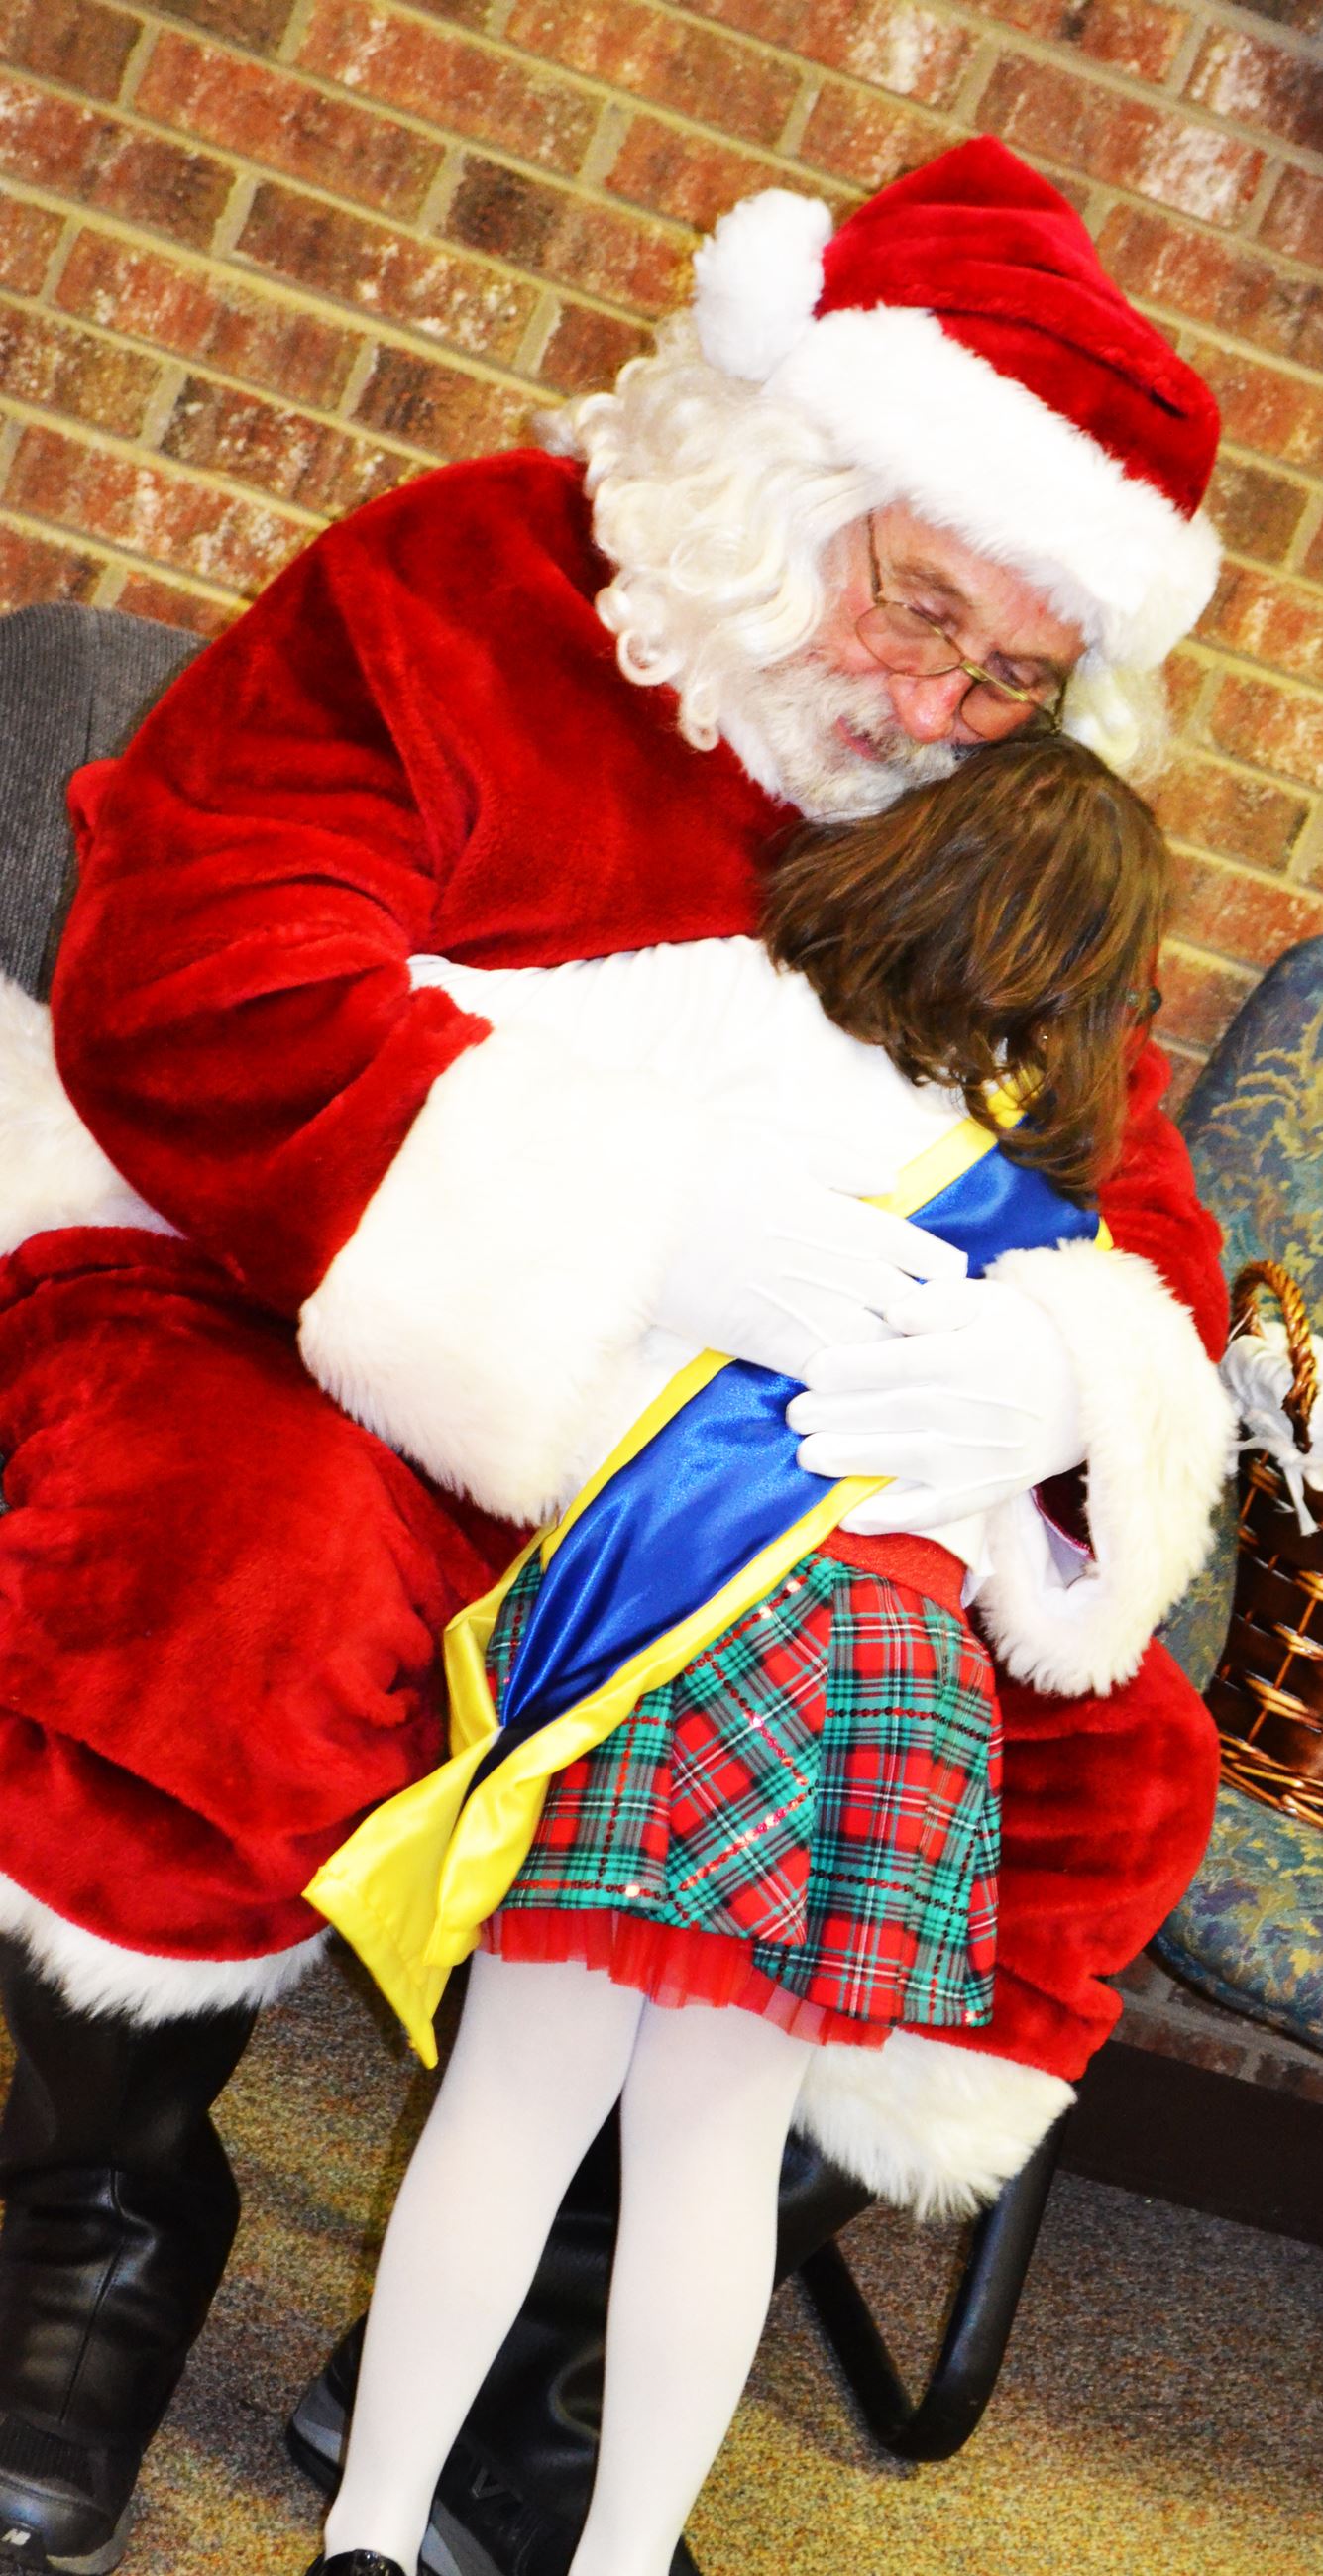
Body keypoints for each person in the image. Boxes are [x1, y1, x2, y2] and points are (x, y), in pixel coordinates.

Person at [0, 137, 1230, 2576]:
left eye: (1008, 670)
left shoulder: (989, 810)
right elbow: (201, 980)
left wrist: (1061, 1382)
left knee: (1098, 1757)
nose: (932, 703)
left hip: (742, 1465)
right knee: (228, 1565)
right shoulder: (460, 582)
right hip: (292, 1284)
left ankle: (539, 2361)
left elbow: (1133, 1201)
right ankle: (91, 2236)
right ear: (791, 476)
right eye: (910, 614)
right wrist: (642, 1229)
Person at [303, 732, 1218, 2576]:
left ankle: (374, 2537)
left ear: (890, 855)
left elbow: (416, 1019)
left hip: (685, 1644)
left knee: (518, 2096)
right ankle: (625, 2563)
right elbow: (1121, 1503)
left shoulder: (726, 1001)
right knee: (714, 2154)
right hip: (899, 1690)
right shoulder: (1071, 1204)